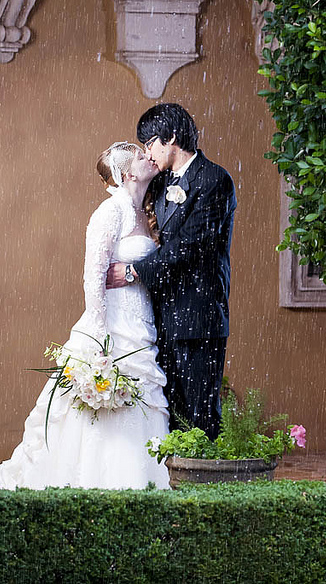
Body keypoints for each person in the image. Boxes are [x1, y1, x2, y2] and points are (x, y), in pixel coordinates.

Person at [0, 143, 170, 490]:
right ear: (128, 173)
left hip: (142, 321)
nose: (148, 157)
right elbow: (92, 276)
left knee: (141, 400)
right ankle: (101, 480)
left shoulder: (146, 212)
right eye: (140, 156)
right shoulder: (110, 212)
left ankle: (142, 480)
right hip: (113, 325)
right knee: (101, 408)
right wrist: (99, 337)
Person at [107, 103, 236, 440]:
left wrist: (132, 272)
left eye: (150, 143)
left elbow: (189, 247)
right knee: (166, 417)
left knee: (199, 417)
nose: (148, 153)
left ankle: (202, 472)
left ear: (172, 137)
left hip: (198, 317)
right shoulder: (160, 181)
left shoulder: (214, 180)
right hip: (158, 318)